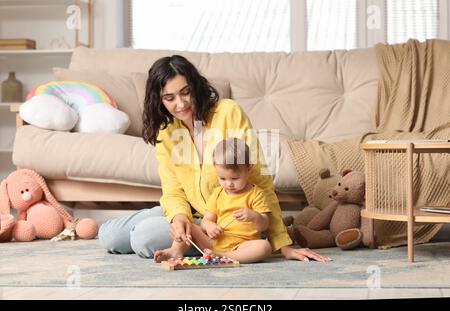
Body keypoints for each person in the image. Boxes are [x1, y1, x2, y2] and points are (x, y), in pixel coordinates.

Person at [98, 55, 331, 262]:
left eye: (185, 92)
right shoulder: (167, 132)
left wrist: (283, 244)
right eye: (169, 98)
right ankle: (170, 229)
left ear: (195, 86)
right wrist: (178, 217)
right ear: (159, 100)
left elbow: (260, 180)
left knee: (143, 236)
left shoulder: (228, 113)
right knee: (109, 236)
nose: (180, 104)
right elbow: (173, 190)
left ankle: (197, 242)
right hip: (191, 212)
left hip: (225, 225)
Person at [154, 138, 273, 264]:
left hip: (242, 246)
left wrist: (254, 217)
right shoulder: (218, 194)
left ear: (249, 169)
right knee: (189, 226)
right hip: (213, 243)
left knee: (264, 247)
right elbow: (206, 221)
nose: (229, 184)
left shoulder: (256, 194)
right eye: (222, 178)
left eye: (235, 178)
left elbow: (264, 225)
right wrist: (210, 226)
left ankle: (224, 256)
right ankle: (175, 250)